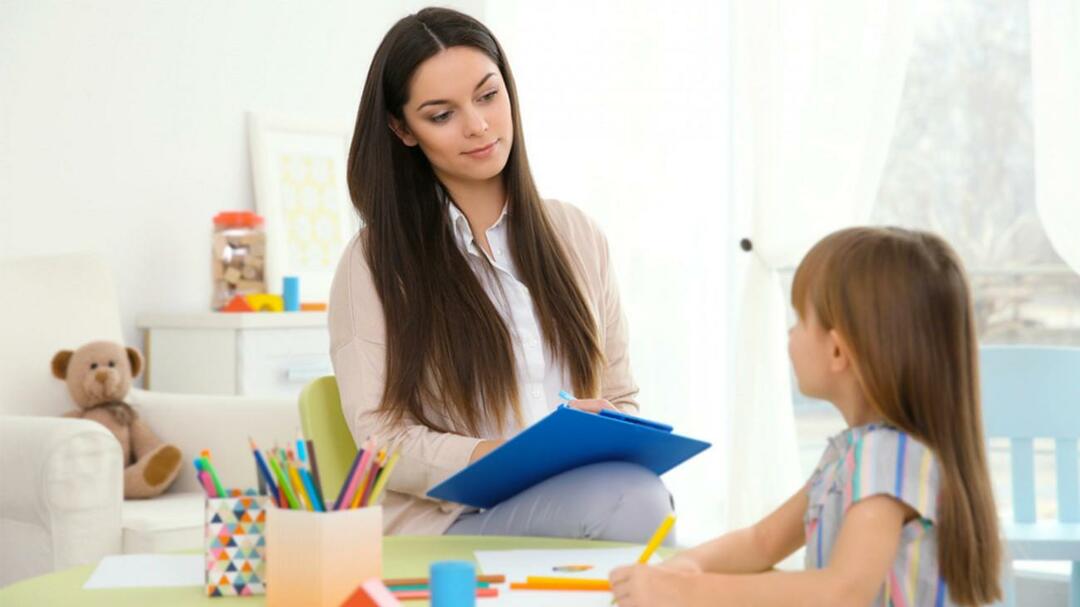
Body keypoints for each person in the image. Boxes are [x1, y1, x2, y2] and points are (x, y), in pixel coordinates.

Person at [328, 7, 673, 542]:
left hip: (573, 493)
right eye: (442, 115)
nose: (478, 125)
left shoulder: (577, 235)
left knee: (637, 490)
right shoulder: (374, 262)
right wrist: (498, 455)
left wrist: (603, 429)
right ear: (402, 129)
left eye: (488, 96)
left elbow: (620, 393)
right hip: (453, 519)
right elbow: (379, 437)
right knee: (633, 499)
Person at [611, 227, 1002, 606]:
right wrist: (684, 567)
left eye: (800, 319)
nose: (791, 334)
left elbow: (841, 594)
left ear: (837, 351)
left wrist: (684, 594)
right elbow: (762, 541)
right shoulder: (851, 452)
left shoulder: (887, 456)